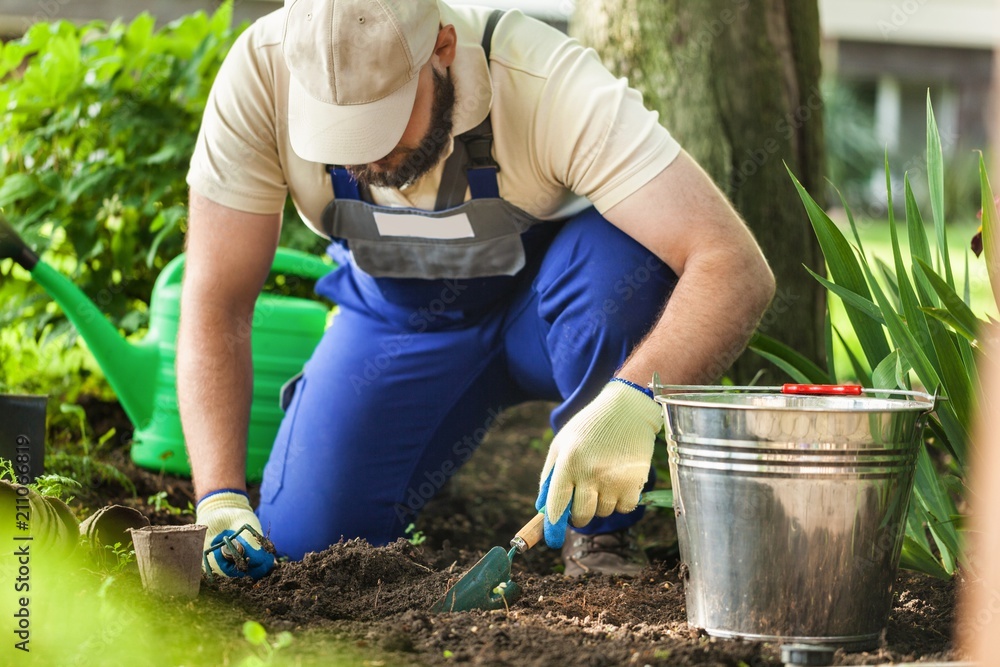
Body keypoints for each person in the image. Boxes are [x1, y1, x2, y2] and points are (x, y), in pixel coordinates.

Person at [180, 0, 775, 580]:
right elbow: (218, 301)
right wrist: (219, 498)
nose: (361, 154)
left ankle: (599, 535)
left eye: (382, 120)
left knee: (624, 273)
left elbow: (732, 263)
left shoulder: (545, 80)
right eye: (338, 131)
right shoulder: (261, 74)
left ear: (442, 48)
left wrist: (637, 398)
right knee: (309, 547)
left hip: (553, 308)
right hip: (397, 323)